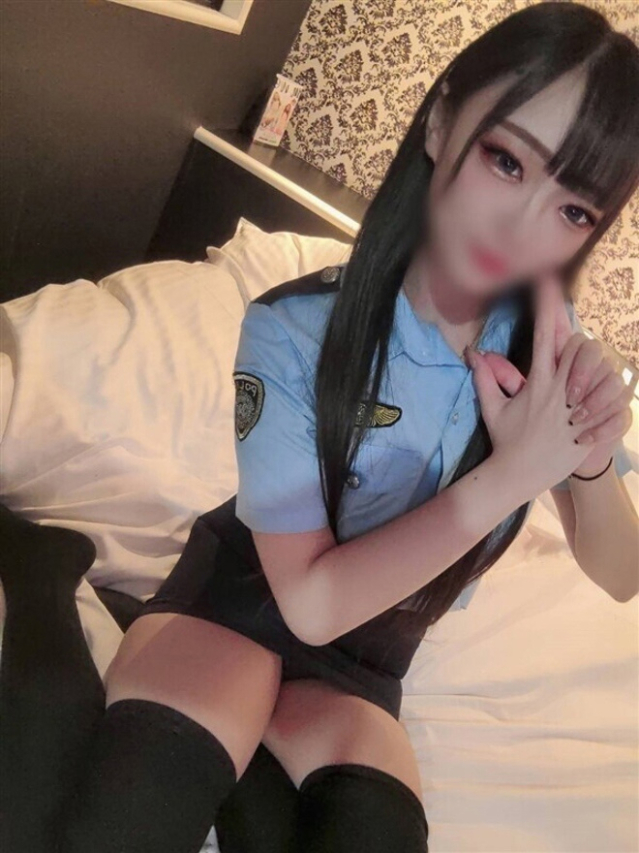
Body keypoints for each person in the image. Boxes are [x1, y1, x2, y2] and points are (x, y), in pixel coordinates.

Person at [1, 3, 638, 852]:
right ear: (442, 121)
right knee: (123, 822)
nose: (521, 229)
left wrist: (581, 454)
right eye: (506, 160)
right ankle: (43, 577)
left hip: (367, 660)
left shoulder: (542, 354)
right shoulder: (293, 329)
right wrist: (513, 473)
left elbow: (621, 574)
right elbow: (307, 601)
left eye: (573, 211)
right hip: (245, 602)